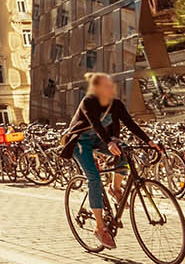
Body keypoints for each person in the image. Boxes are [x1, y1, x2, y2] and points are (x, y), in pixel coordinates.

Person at [57, 72, 157, 249]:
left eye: (112, 85)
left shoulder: (116, 104)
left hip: (99, 140)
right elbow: (95, 123)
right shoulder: (89, 102)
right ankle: (99, 227)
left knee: (124, 151)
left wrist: (149, 141)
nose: (112, 88)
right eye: (107, 86)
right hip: (80, 142)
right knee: (94, 178)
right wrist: (110, 142)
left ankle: (115, 188)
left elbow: (130, 123)